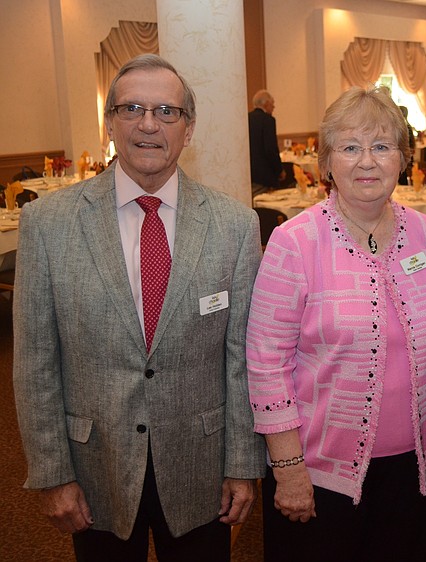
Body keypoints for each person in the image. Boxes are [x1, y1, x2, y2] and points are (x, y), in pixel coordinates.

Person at [13, 54, 265, 560]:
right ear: (109, 122)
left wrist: (242, 462)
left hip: (201, 467)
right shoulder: (48, 224)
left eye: (167, 111)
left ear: (188, 128)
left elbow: (241, 358)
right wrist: (51, 473)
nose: (149, 124)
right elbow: (35, 362)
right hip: (95, 469)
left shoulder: (236, 227)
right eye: (132, 108)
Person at [246, 85, 426, 562]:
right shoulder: (293, 243)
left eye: (382, 146)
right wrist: (287, 466)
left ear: (403, 159)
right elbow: (265, 362)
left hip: (417, 469)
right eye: (350, 147)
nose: (368, 161)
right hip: (320, 473)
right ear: (324, 164)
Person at [249, 89, 284, 196]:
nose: (273, 107)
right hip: (265, 175)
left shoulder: (246, 118)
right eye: (272, 104)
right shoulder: (268, 120)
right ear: (266, 104)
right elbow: (271, 149)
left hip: (250, 173)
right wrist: (279, 170)